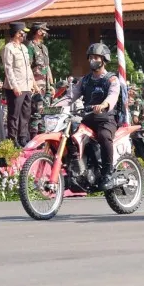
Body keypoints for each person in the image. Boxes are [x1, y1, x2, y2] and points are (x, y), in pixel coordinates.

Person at [58, 43, 121, 190]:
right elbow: (70, 97)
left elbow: (113, 95)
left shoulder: (112, 80)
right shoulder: (85, 80)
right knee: (69, 134)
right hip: (87, 118)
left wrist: (104, 105)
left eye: (96, 57)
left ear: (104, 60)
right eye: (91, 57)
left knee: (104, 136)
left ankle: (107, 173)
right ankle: (76, 169)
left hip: (106, 118)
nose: (93, 60)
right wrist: (53, 107)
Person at [2, 22, 40, 147]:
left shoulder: (24, 48)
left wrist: (34, 84)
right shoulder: (9, 48)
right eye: (22, 32)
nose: (24, 34)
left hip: (27, 86)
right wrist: (14, 86)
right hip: (16, 87)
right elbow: (8, 69)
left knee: (26, 113)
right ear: (17, 33)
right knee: (14, 115)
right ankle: (12, 139)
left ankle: (23, 137)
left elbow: (28, 68)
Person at [28, 22, 53, 94]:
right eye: (44, 30)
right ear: (39, 32)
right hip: (36, 85)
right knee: (38, 105)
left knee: (47, 105)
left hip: (47, 86)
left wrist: (51, 85)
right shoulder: (30, 47)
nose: (45, 32)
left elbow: (47, 66)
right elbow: (28, 67)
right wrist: (34, 85)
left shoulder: (44, 48)